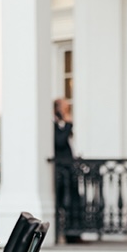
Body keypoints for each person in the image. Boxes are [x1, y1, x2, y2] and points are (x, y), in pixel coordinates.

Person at [53, 97, 82, 243]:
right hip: (61, 171)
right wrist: (69, 124)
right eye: (64, 107)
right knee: (65, 202)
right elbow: (59, 142)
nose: (68, 109)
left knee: (75, 200)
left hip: (69, 168)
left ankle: (75, 234)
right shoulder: (53, 125)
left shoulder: (61, 125)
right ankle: (68, 234)